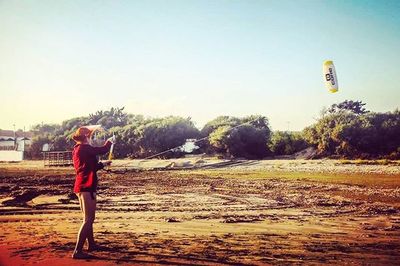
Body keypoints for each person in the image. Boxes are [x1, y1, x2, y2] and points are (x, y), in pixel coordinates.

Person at [71, 127, 115, 259]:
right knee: (89, 219)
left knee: (88, 219)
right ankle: (77, 251)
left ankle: (91, 244)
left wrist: (103, 164)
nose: (91, 138)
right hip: (87, 186)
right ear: (86, 137)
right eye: (90, 136)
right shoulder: (85, 148)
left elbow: (91, 166)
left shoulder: (77, 149)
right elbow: (101, 150)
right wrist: (110, 142)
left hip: (81, 186)